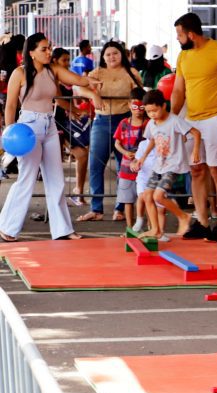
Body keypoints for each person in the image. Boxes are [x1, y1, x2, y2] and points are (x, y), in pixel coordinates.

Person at [0, 33, 100, 242]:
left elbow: (74, 80)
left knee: (56, 179)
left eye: (49, 48)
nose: (48, 52)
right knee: (26, 179)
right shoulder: (19, 73)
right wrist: (10, 133)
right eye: (44, 49)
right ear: (32, 52)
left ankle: (63, 229)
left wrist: (88, 84)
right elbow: (10, 105)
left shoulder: (53, 70)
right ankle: (8, 227)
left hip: (49, 125)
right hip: (27, 128)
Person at [172, 12, 217, 241]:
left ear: (191, 34)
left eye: (179, 34)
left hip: (216, 118)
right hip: (191, 120)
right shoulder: (183, 58)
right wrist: (170, 120)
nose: (177, 39)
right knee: (196, 170)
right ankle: (202, 222)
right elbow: (178, 90)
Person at [75, 41, 143, 223]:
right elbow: (79, 86)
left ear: (122, 54)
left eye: (115, 53)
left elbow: (139, 95)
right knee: (95, 165)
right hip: (101, 121)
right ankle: (96, 209)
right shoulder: (96, 73)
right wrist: (93, 94)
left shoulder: (132, 73)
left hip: (125, 122)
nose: (112, 57)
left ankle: (121, 208)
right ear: (103, 57)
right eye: (108, 54)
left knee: (125, 167)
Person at [131, 89, 197, 239]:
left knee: (158, 196)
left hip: (172, 165)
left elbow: (196, 133)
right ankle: (156, 230)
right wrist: (143, 157)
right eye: (148, 112)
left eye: (154, 110)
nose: (152, 114)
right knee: (147, 196)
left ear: (164, 106)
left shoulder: (174, 121)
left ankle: (183, 216)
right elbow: (152, 140)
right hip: (158, 165)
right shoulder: (151, 124)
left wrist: (196, 151)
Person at [50, 48, 90, 209]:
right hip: (55, 122)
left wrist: (76, 111)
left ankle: (77, 191)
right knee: (55, 161)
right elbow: (59, 101)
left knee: (82, 154)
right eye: (64, 60)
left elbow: (72, 97)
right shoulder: (53, 77)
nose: (67, 63)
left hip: (67, 122)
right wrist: (77, 110)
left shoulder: (67, 77)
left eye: (68, 60)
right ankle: (57, 198)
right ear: (55, 61)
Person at [112, 87, 149, 228]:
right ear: (129, 105)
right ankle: (129, 228)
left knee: (145, 198)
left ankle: (149, 228)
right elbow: (117, 143)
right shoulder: (124, 124)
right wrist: (125, 152)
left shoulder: (148, 124)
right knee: (128, 200)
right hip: (126, 168)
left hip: (144, 168)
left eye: (141, 106)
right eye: (135, 106)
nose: (138, 109)